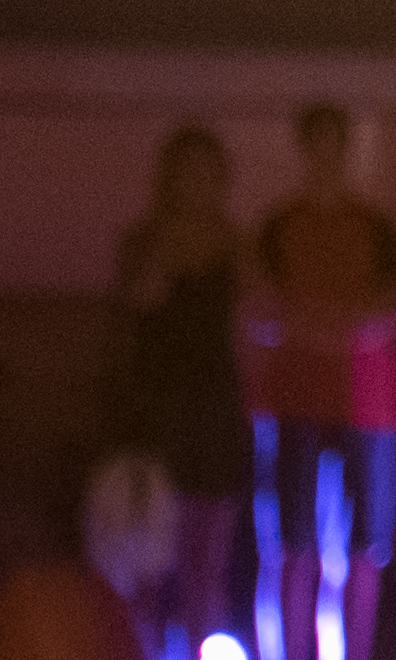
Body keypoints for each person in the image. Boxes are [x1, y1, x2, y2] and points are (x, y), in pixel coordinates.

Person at [247, 107, 396, 660]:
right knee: (290, 543)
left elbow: (394, 306)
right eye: (316, 143)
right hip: (293, 400)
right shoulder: (277, 226)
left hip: (367, 405)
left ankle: (353, 651)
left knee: (366, 543)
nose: (326, 155)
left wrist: (319, 322)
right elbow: (258, 306)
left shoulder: (376, 227)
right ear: (303, 148)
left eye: (334, 143)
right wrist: (329, 323)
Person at [111, 138, 254, 660]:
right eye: (185, 172)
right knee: (151, 558)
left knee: (206, 559)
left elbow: (251, 322)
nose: (195, 183)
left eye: (205, 172)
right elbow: (139, 299)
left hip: (216, 406)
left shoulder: (236, 245)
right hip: (158, 408)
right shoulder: (144, 241)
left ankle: (200, 648)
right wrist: (168, 241)